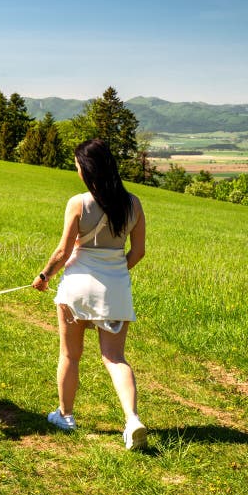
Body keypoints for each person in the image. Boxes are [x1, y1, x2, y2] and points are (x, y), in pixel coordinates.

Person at [32, 138, 147, 450]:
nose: (77, 170)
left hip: (77, 289)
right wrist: (114, 270)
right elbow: (138, 252)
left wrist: (44, 276)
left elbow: (63, 250)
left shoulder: (79, 203)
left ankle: (66, 415)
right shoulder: (134, 204)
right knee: (115, 357)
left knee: (70, 354)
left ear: (87, 169)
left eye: (78, 166)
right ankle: (132, 419)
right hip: (116, 290)